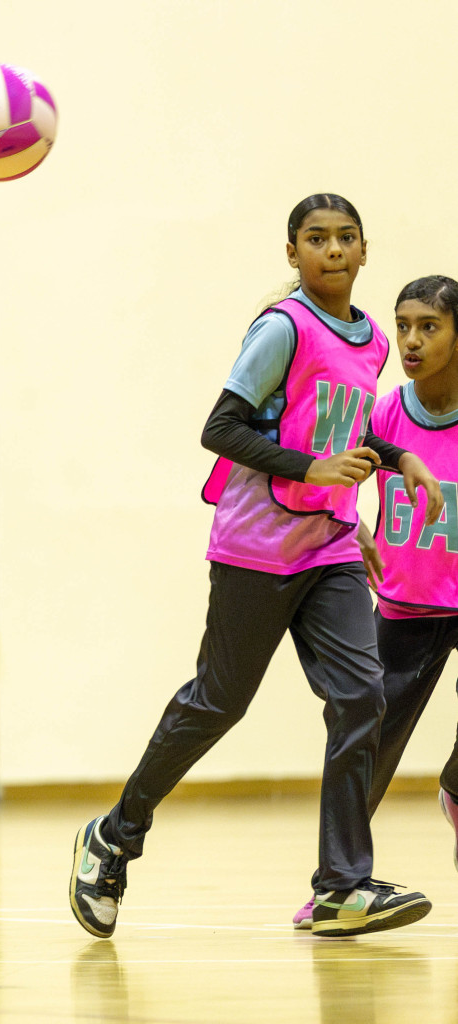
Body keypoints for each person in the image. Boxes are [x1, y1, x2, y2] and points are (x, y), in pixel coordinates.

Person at [68, 195, 445, 940]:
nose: (332, 250)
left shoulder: (371, 337)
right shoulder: (282, 328)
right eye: (316, 239)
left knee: (361, 696)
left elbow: (352, 422)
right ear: (292, 253)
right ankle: (114, 835)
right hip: (258, 546)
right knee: (218, 702)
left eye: (345, 238)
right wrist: (314, 467)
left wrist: (400, 461)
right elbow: (220, 428)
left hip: (330, 547)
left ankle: (342, 885)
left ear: (364, 251)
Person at [285, 275, 458, 927]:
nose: (411, 341)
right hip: (406, 604)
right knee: (370, 744)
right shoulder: (386, 413)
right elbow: (335, 473)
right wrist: (351, 527)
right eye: (404, 325)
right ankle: (337, 882)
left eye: (429, 327)